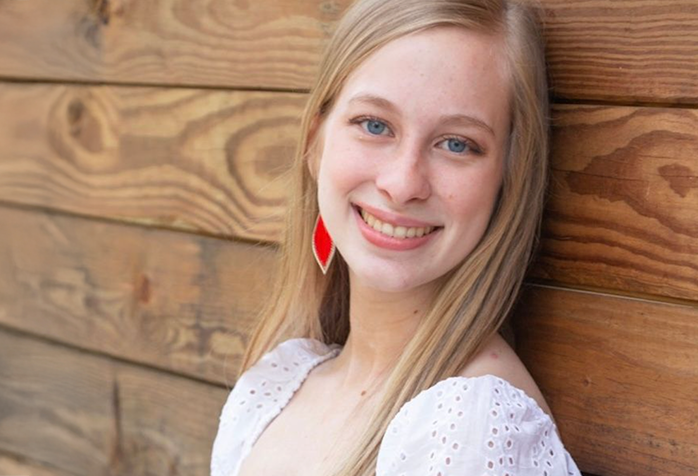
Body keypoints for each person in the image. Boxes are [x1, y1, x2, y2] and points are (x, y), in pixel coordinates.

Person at [211, 0, 581, 474]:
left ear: (509, 180)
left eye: (456, 144)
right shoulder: (275, 387)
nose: (403, 183)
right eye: (374, 125)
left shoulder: (472, 426)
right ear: (313, 142)